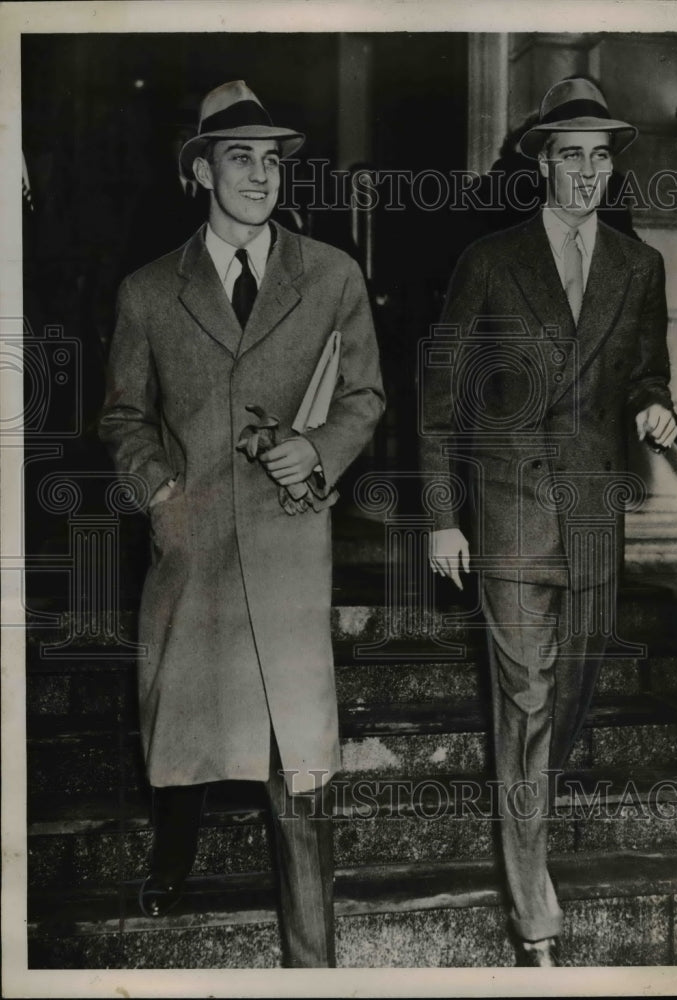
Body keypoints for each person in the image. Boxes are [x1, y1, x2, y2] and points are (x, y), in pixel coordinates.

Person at [99, 80, 385, 968]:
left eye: (271, 159)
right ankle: (172, 859)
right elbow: (121, 416)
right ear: (200, 171)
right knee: (184, 732)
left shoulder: (331, 274)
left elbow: (364, 395)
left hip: (292, 544)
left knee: (297, 752)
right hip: (197, 548)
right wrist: (158, 493)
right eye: (239, 157)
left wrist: (320, 449)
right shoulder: (149, 292)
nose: (260, 175)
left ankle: (313, 960)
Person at [419, 77, 677, 966]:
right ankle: (534, 911)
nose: (586, 173)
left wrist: (651, 407)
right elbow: (439, 396)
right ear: (540, 164)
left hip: (593, 515)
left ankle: (526, 814)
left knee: (568, 698)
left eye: (600, 157)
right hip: (511, 516)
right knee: (524, 699)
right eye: (570, 155)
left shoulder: (638, 266)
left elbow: (648, 371)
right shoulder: (490, 261)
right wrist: (442, 518)